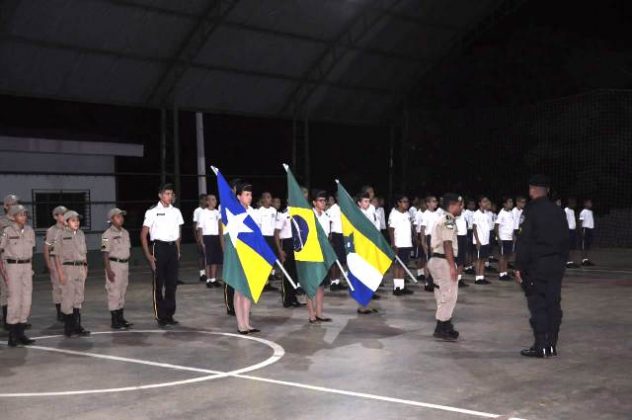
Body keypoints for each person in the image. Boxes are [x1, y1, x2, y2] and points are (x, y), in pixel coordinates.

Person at [515, 175, 568, 358]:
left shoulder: (531, 210)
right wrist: (561, 262)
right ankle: (552, 344)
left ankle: (541, 346)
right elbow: (567, 240)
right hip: (556, 265)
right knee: (553, 304)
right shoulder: (558, 211)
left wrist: (519, 266)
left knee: (538, 304)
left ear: (532, 190)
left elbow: (524, 240)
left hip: (537, 265)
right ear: (548, 191)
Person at [140, 183, 184, 327]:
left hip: (172, 249)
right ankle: (160, 316)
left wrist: (178, 250)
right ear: (160, 195)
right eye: (167, 193)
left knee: (172, 284)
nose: (169, 196)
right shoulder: (152, 212)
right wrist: (148, 255)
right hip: (159, 247)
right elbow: (143, 234)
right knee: (158, 284)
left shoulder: (176, 212)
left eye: (171, 194)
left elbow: (177, 234)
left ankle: (169, 315)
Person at [227, 182, 261, 333]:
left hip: (251, 254)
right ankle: (240, 324)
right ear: (239, 196)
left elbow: (258, 233)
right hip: (238, 254)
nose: (250, 197)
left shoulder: (254, 212)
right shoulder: (233, 213)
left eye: (251, 194)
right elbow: (230, 235)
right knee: (239, 290)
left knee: (248, 291)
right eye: (246, 194)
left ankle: (247, 323)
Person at [427, 194, 462, 341]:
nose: (461, 208)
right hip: (444, 261)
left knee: (442, 294)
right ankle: (441, 327)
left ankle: (446, 325)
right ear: (453, 205)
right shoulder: (448, 220)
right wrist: (452, 266)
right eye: (460, 205)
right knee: (449, 295)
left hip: (437, 259)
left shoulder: (441, 219)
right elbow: (447, 243)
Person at [0, 205, 36, 346]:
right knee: (14, 300)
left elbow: (31, 252)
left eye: (25, 215)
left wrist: (31, 268)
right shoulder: (7, 231)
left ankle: (21, 334)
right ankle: (12, 335)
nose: (24, 217)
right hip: (13, 266)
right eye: (21, 215)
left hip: (26, 266)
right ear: (14, 217)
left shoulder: (30, 231)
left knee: (26, 300)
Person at [51, 210, 90, 337]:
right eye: (73, 220)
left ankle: (77, 326)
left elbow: (84, 253)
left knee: (79, 298)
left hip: (80, 268)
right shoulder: (59, 235)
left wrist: (86, 267)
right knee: (68, 299)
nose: (76, 222)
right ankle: (69, 329)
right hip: (67, 269)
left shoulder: (81, 234)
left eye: (77, 220)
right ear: (66, 222)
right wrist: (60, 273)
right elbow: (56, 255)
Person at [101, 208, 133, 330]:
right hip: (114, 265)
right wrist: (108, 270)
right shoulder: (106, 235)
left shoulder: (125, 232)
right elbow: (105, 253)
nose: (121, 218)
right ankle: (115, 321)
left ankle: (121, 318)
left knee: (122, 292)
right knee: (114, 292)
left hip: (124, 265)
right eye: (118, 216)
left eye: (122, 216)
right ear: (111, 219)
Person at [307, 190, 333, 323]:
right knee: (311, 284)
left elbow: (328, 236)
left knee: (321, 285)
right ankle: (311, 314)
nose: (323, 203)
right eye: (320, 201)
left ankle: (319, 313)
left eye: (324, 201)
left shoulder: (326, 216)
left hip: (323, 253)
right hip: (311, 253)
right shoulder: (309, 215)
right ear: (314, 202)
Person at [274, 203, 302, 308]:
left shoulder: (298, 212)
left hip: (296, 243)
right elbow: (276, 233)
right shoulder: (283, 214)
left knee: (295, 272)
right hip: (286, 243)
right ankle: (287, 299)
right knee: (287, 272)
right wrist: (280, 250)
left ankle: (293, 298)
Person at [43, 205, 68, 322]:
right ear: (55, 217)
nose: (65, 217)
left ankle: (68, 310)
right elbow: (46, 249)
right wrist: (49, 264)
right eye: (62, 215)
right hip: (55, 262)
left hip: (68, 263)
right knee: (58, 288)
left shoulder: (70, 228)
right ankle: (60, 312)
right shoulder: (51, 231)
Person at [388, 194, 414, 296]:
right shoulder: (394, 214)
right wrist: (393, 244)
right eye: (404, 201)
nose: (406, 204)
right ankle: (396, 287)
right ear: (399, 203)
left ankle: (402, 286)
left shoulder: (407, 214)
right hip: (398, 244)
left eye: (407, 202)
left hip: (407, 243)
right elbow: (391, 229)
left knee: (404, 265)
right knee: (397, 265)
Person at [0, 194, 19, 329]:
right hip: (5, 261)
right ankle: (7, 321)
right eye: (13, 204)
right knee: (6, 291)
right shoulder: (1, 222)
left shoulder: (21, 221)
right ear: (6, 206)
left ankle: (17, 320)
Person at [198, 194, 223, 288]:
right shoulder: (203, 213)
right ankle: (208, 280)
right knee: (208, 260)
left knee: (215, 259)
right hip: (207, 237)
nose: (214, 201)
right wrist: (201, 241)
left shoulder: (217, 213)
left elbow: (220, 227)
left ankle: (213, 279)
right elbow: (200, 228)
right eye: (212, 199)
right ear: (207, 202)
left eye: (215, 199)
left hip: (216, 237)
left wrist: (221, 240)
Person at [257, 192, 279, 292]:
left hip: (272, 238)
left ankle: (267, 282)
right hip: (263, 238)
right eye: (267, 197)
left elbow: (275, 226)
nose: (269, 199)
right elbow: (258, 227)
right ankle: (262, 283)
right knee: (263, 261)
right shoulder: (259, 211)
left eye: (270, 197)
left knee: (271, 260)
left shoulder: (274, 211)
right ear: (263, 199)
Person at [326, 195, 348, 292]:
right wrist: (330, 234)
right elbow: (329, 221)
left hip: (342, 235)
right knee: (335, 261)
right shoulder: (333, 208)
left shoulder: (344, 208)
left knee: (341, 260)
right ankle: (333, 282)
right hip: (335, 235)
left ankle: (337, 281)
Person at [419, 196, 441, 291]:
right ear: (428, 203)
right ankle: (427, 282)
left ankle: (433, 281)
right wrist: (423, 242)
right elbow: (422, 229)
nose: (436, 203)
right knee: (429, 261)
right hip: (429, 238)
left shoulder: (437, 214)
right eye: (433, 201)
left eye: (436, 201)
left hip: (437, 238)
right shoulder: (425, 214)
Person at [472, 196, 492, 285]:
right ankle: (477, 278)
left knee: (483, 259)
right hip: (479, 241)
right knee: (478, 259)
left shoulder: (487, 214)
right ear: (479, 203)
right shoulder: (476, 214)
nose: (486, 203)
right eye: (484, 201)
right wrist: (477, 241)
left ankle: (481, 277)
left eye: (487, 201)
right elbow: (474, 227)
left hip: (485, 241)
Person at [495, 197, 515, 281]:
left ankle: (505, 273)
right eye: (509, 202)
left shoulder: (511, 213)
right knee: (502, 256)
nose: (511, 203)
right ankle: (501, 274)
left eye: (512, 202)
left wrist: (513, 236)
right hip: (503, 238)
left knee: (507, 256)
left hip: (509, 238)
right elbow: (496, 226)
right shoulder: (501, 213)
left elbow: (512, 226)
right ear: (504, 204)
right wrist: (498, 238)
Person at [192, 194, 208, 282]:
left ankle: (208, 273)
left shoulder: (209, 210)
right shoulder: (197, 211)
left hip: (208, 234)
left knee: (208, 255)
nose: (206, 201)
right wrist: (197, 238)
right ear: (201, 200)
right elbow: (195, 225)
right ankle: (202, 274)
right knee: (201, 255)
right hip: (200, 235)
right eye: (205, 199)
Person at [454, 200, 469, 288]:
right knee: (456, 259)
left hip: (463, 237)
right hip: (456, 237)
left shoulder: (464, 213)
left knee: (461, 259)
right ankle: (453, 279)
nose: (462, 205)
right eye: (460, 204)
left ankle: (459, 279)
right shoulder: (452, 213)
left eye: (463, 204)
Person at [579, 199, 595, 266]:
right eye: (589, 203)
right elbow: (580, 221)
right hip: (585, 229)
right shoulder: (583, 212)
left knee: (588, 246)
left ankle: (586, 259)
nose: (590, 204)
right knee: (584, 245)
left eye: (591, 203)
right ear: (585, 204)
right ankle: (583, 260)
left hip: (590, 229)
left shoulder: (591, 212)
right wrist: (581, 231)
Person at [564, 198, 579, 268]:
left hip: (573, 230)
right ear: (569, 203)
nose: (575, 205)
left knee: (573, 247)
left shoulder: (572, 211)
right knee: (568, 247)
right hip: (568, 230)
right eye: (574, 203)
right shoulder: (566, 210)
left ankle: (571, 261)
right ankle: (567, 261)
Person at [462, 199, 476, 274]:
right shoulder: (465, 213)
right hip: (468, 231)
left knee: (472, 250)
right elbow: (466, 223)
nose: (472, 206)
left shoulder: (475, 213)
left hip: (474, 231)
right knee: (468, 250)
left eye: (473, 204)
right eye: (471, 204)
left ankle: (471, 265)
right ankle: (467, 266)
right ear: (467, 205)